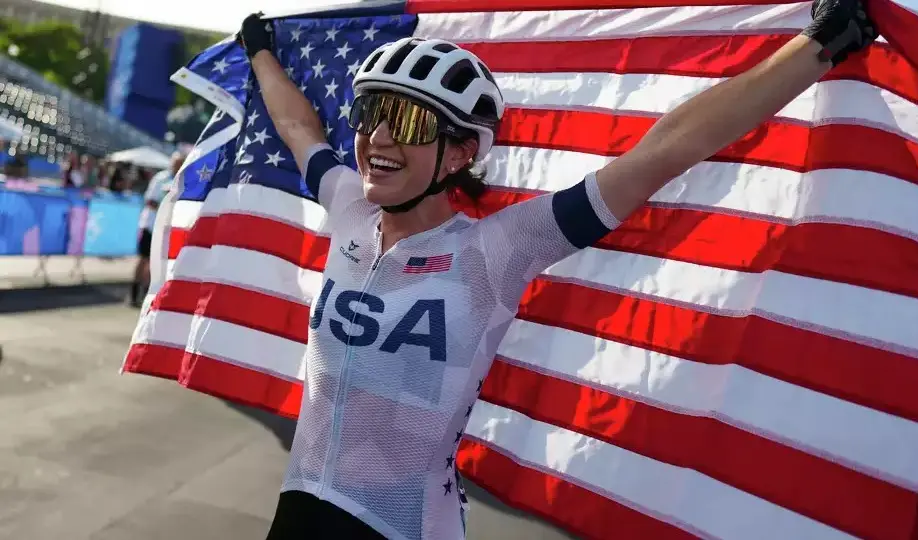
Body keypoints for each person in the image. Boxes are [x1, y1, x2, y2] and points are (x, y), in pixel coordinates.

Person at [237, 0, 876, 538]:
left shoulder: (496, 249)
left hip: (401, 526)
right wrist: (260, 50)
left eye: (405, 121)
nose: (378, 138)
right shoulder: (349, 206)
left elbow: (667, 150)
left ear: (461, 152)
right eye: (371, 114)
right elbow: (297, 124)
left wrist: (819, 46)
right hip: (297, 510)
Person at [130, 151, 185, 306]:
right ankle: (134, 292)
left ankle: (146, 293)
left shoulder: (183, 180)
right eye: (176, 163)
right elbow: (150, 201)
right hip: (150, 225)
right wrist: (166, 200)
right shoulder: (160, 178)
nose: (178, 166)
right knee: (143, 259)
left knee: (156, 262)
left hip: (166, 227)